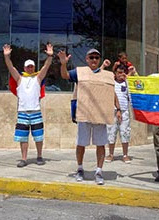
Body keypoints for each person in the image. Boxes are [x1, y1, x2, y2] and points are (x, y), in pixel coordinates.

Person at [58, 48, 121, 185]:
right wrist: (63, 63)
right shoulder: (79, 72)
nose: (94, 60)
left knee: (100, 144)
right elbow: (65, 76)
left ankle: (99, 171)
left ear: (99, 60)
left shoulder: (106, 75)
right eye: (91, 57)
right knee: (81, 143)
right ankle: (80, 168)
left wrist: (118, 109)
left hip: (100, 115)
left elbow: (112, 92)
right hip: (84, 113)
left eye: (96, 58)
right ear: (87, 59)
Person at [3, 43, 53, 167]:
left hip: (35, 111)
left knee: (39, 136)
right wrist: (7, 57)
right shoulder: (19, 79)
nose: (30, 68)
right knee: (23, 138)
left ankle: (39, 156)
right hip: (23, 112)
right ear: (24, 68)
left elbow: (46, 67)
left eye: (32, 67)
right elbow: (11, 68)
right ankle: (24, 158)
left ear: (34, 67)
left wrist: (50, 57)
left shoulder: (38, 78)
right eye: (28, 67)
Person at [105, 64, 131, 164]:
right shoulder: (112, 83)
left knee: (125, 132)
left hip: (124, 111)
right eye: (119, 72)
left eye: (123, 72)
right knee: (111, 132)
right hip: (112, 111)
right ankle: (111, 154)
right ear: (115, 73)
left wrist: (128, 79)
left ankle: (125, 154)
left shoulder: (127, 84)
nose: (121, 75)